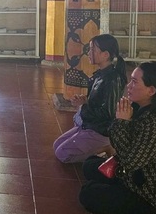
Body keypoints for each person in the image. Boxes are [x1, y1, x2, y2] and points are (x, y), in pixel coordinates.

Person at [79, 61, 156, 214]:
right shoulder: (139, 109)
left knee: (88, 193)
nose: (129, 85)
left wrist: (121, 123)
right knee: (89, 165)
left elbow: (129, 162)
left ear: (151, 90)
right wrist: (121, 122)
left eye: (134, 82)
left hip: (149, 197)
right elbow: (119, 145)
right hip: (130, 178)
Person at [53, 34, 127, 163]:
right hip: (91, 124)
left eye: (93, 50)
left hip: (101, 130)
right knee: (56, 145)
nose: (88, 53)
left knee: (62, 154)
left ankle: (104, 149)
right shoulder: (100, 74)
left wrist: (84, 106)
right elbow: (98, 102)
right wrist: (85, 101)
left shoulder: (113, 79)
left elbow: (108, 114)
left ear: (105, 55)